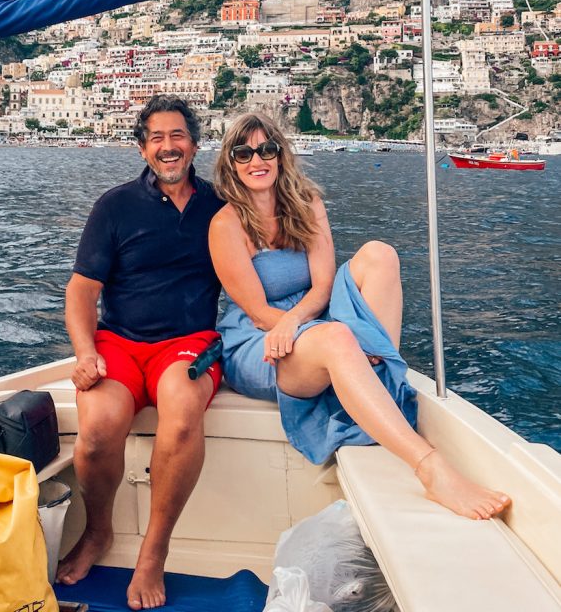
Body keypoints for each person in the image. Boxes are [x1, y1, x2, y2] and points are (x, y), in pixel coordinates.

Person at [209, 111, 511, 521]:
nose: (256, 160)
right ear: (231, 163)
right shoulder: (225, 225)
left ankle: (375, 388)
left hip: (307, 316)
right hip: (260, 339)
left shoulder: (306, 202)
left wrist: (300, 321)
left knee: (379, 255)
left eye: (267, 149)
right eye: (244, 152)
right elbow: (259, 311)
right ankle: (430, 467)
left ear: (280, 154)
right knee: (336, 339)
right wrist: (298, 326)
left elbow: (321, 287)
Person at [57, 95, 224, 610]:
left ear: (194, 145)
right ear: (142, 148)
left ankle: (153, 552)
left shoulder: (222, 207)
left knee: (179, 414)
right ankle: (98, 533)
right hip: (120, 343)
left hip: (190, 343)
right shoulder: (115, 206)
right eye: (157, 138)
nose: (169, 147)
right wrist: (86, 353)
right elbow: (82, 291)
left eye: (178, 136)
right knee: (99, 428)